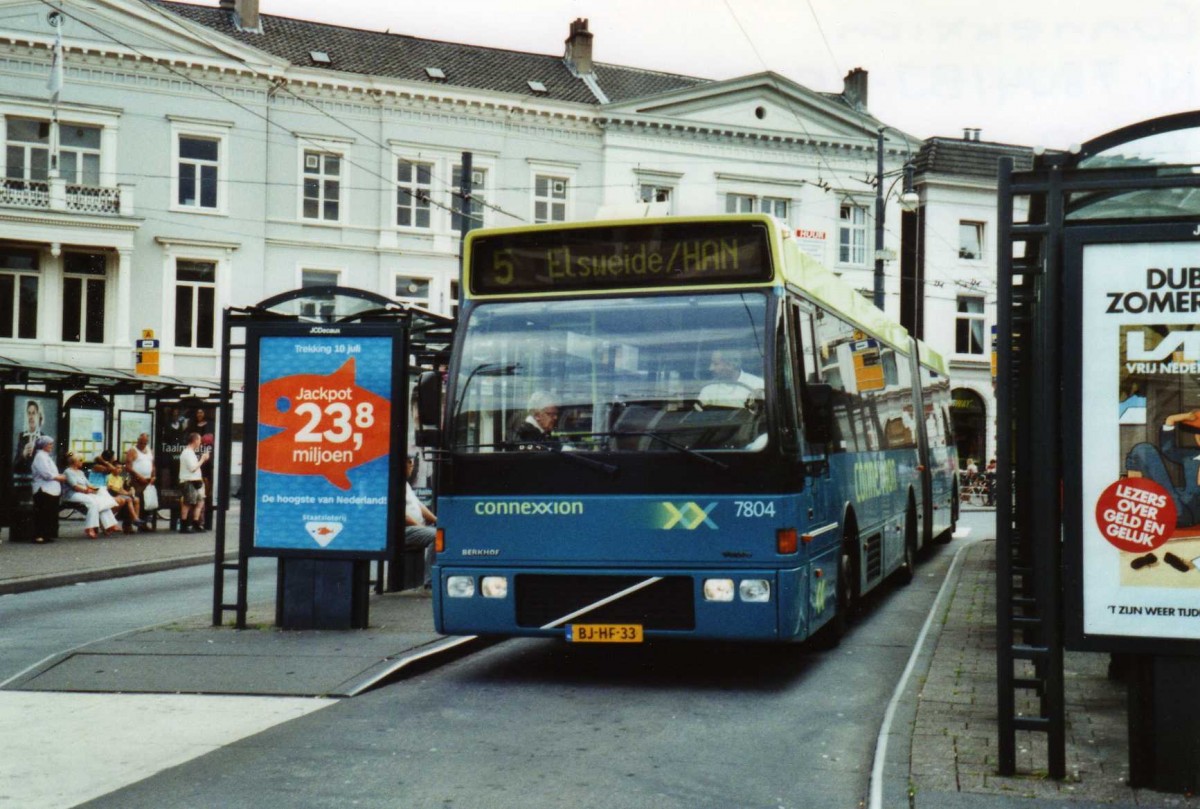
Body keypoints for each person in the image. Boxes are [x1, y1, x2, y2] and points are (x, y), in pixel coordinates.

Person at [1126, 410, 1200, 527]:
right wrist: (1170, 420)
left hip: (1187, 514)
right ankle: (1131, 494)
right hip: (1176, 503)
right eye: (1198, 433)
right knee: (1143, 449)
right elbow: (1168, 450)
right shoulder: (1191, 456)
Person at [62, 452, 120, 538]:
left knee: (102, 499)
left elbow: (88, 483)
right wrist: (87, 490)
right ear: (74, 461)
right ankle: (90, 528)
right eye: (81, 460)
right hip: (73, 494)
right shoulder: (68, 472)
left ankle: (110, 524)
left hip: (84, 492)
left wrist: (95, 489)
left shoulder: (80, 472)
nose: (83, 462)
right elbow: (75, 486)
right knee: (93, 502)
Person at [403, 453, 436, 589]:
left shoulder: (405, 484)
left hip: (416, 528)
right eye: (410, 463)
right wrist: (421, 527)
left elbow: (419, 506)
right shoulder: (393, 484)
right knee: (438, 536)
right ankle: (430, 582)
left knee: (444, 532)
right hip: (404, 530)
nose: (412, 467)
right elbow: (400, 514)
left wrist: (438, 520)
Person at [699, 348, 764, 408]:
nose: (711, 368)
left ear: (730, 365)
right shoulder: (709, 389)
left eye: (716, 364)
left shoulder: (757, 385)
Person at [29, 436, 65, 544]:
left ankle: (46, 534)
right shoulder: (40, 457)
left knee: (49, 513)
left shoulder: (46, 456)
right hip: (43, 489)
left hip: (51, 489)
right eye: (50, 444)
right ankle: (39, 535)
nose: (51, 446)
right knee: (42, 513)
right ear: (44, 445)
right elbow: (46, 474)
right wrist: (59, 477)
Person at [97, 450, 144, 530]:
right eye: (117, 468)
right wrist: (127, 494)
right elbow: (112, 488)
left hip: (120, 493)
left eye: (121, 468)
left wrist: (129, 491)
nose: (119, 470)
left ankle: (135, 519)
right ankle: (133, 519)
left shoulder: (120, 475)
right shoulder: (109, 474)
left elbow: (122, 486)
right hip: (112, 494)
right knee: (128, 500)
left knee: (135, 499)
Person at [177, 432, 209, 532]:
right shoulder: (187, 453)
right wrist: (203, 459)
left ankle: (196, 522)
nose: (200, 443)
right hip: (188, 481)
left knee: (200, 501)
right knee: (188, 503)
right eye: (199, 440)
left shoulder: (191, 453)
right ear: (195, 440)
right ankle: (184, 525)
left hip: (195, 481)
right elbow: (192, 468)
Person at [126, 432, 156, 520]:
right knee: (135, 500)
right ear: (137, 441)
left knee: (145, 502)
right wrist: (138, 476)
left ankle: (143, 524)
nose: (143, 445)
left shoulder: (149, 450)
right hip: (137, 481)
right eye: (141, 442)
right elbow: (128, 467)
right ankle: (128, 525)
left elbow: (153, 464)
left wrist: (153, 476)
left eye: (145, 443)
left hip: (147, 480)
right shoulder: (132, 451)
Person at [13, 399, 45, 475]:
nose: (31, 417)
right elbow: (14, 466)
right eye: (29, 413)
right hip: (23, 479)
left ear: (39, 415)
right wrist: (23, 454)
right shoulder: (22, 436)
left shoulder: (43, 437)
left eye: (34, 413)